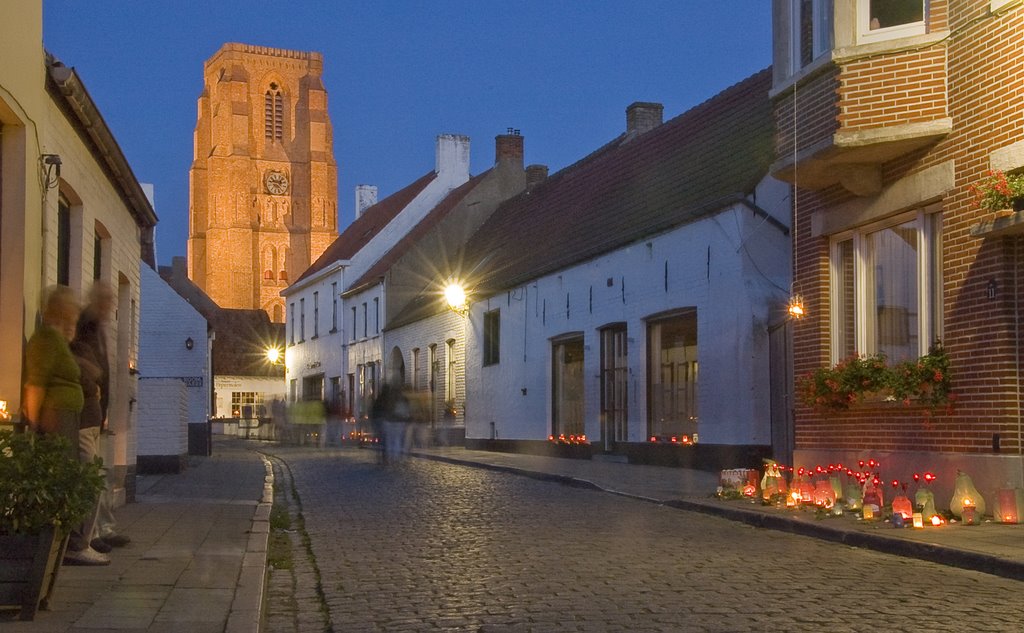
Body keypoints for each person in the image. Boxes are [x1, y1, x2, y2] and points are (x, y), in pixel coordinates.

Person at [23, 286, 108, 565]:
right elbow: (36, 383)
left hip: (68, 420)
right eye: (71, 312)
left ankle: (71, 543)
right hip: (58, 421)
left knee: (77, 479)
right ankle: (72, 544)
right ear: (61, 312)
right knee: (77, 480)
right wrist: (36, 425)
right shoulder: (47, 338)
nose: (75, 317)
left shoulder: (58, 339)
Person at [73, 281, 130, 552]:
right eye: (107, 301)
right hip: (86, 412)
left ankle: (104, 527)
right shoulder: (85, 325)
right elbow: (88, 368)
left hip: (98, 412)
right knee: (93, 476)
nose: (112, 307)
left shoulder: (97, 328)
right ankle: (92, 534)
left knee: (102, 475)